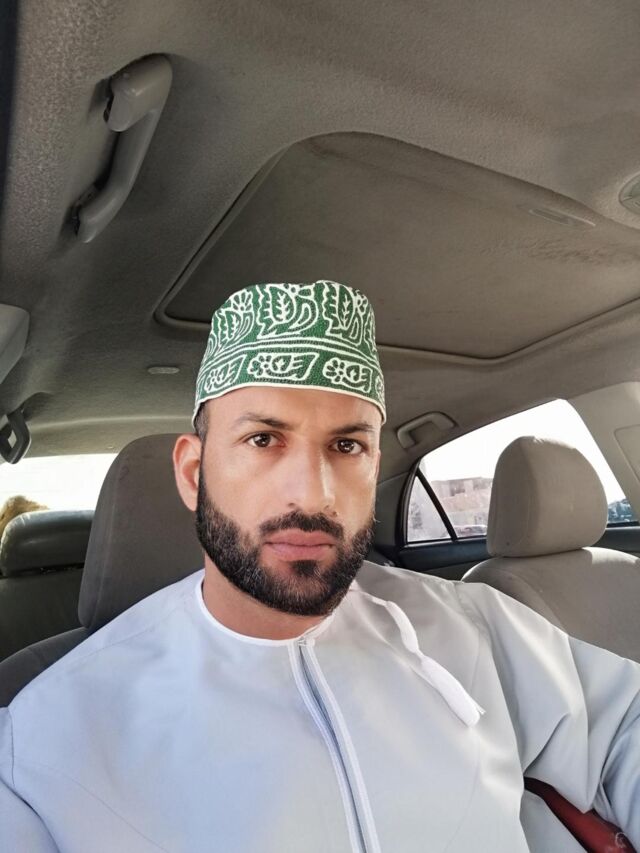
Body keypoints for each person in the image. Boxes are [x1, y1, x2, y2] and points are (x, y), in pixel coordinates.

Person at [0, 280, 638, 852]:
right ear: (194, 473)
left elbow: (621, 730)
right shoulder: (47, 742)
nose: (314, 494)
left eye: (347, 445)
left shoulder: (473, 623)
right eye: (263, 440)